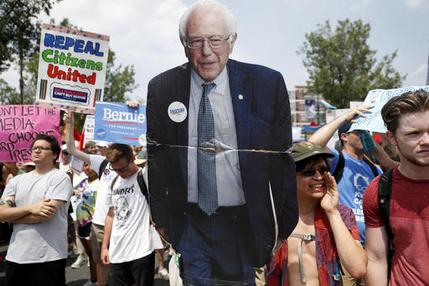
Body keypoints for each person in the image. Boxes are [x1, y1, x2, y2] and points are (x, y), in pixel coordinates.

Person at [146, 0, 298, 284]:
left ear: (232, 41)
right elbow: (157, 159)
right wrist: (161, 219)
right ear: (183, 43)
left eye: (215, 40)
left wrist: (282, 227)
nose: (206, 52)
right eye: (196, 41)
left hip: (244, 222)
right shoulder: (162, 88)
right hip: (189, 222)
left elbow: (282, 160)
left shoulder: (266, 85)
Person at [267, 141, 367, 285]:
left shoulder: (341, 214)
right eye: (309, 172)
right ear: (289, 176)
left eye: (323, 170)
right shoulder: (275, 217)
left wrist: (332, 212)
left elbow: (358, 269)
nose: (319, 177)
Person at [363, 90, 429, 285]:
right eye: (414, 134)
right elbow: (376, 259)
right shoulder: (379, 191)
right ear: (391, 138)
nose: (426, 141)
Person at [0, 134, 73, 286]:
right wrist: (31, 207)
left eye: (42, 148)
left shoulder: (60, 178)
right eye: (34, 148)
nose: (37, 151)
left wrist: (11, 216)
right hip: (16, 256)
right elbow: (1, 213)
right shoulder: (17, 180)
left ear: (54, 154)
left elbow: (45, 215)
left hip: (48, 257)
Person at [64, 112, 112, 286]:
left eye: (104, 146)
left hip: (121, 223)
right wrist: (70, 125)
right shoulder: (101, 162)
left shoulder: (131, 164)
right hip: (98, 224)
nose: (101, 149)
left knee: (120, 263)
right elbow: (71, 150)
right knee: (100, 260)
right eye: (99, 147)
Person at [100, 143, 156, 286]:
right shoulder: (113, 183)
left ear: (132, 158)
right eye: (115, 169)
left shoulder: (144, 176)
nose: (120, 173)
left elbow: (161, 156)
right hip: (117, 252)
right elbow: (110, 215)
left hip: (141, 250)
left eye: (123, 168)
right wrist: (105, 247)